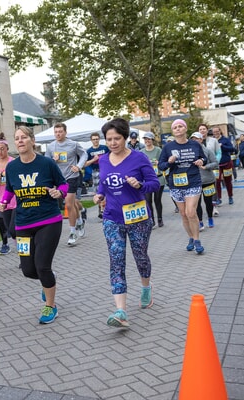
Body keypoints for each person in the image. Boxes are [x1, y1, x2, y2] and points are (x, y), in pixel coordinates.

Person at [93, 118, 160, 328]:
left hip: (138, 217)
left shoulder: (139, 158)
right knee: (116, 260)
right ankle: (121, 311)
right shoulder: (103, 160)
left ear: (125, 137)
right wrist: (99, 195)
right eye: (109, 139)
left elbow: (154, 184)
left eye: (117, 139)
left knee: (140, 255)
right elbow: (103, 184)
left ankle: (146, 288)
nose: (113, 143)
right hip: (112, 217)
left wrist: (140, 184)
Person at [0, 125, 67, 324]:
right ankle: (48, 283)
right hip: (23, 224)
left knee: (42, 266)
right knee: (28, 270)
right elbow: (10, 190)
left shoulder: (46, 163)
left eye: (23, 137)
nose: (20, 141)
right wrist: (4, 201)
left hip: (48, 221)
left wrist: (59, 192)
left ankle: (50, 306)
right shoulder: (12, 167)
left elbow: (63, 184)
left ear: (32, 141)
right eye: (17, 138)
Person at [158, 119, 207, 254]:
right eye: (175, 127)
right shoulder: (168, 148)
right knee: (184, 214)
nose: (178, 129)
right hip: (176, 184)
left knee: (191, 212)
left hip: (193, 181)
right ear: (173, 131)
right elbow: (161, 165)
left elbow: (204, 158)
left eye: (180, 126)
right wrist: (168, 162)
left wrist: (200, 160)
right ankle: (190, 237)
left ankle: (197, 240)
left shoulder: (195, 145)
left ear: (185, 129)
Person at [45, 122, 88, 246]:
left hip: (72, 177)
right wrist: (53, 160)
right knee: (72, 202)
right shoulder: (51, 146)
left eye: (60, 131)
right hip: (59, 179)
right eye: (56, 132)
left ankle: (72, 233)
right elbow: (47, 161)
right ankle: (79, 220)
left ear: (65, 132)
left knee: (68, 204)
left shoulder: (73, 144)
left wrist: (79, 166)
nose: (58, 134)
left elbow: (84, 154)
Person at [190, 132, 218, 230]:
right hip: (195, 182)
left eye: (196, 139)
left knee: (208, 202)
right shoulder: (189, 152)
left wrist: (206, 167)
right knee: (196, 203)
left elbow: (215, 163)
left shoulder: (208, 151)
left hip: (208, 180)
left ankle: (210, 218)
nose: (195, 141)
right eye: (192, 139)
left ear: (201, 140)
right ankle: (200, 222)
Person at [141, 132, 165, 228]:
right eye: (145, 139)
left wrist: (158, 162)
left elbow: (163, 162)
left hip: (158, 178)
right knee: (148, 200)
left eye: (149, 139)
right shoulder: (142, 152)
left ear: (152, 140)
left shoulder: (158, 150)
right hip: (147, 180)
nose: (147, 141)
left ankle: (160, 218)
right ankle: (152, 220)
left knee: (157, 200)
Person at [84, 132, 109, 218]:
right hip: (95, 171)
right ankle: (100, 209)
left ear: (99, 139)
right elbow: (85, 164)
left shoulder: (104, 148)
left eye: (97, 139)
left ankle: (104, 209)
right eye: (93, 139)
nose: (95, 141)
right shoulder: (89, 151)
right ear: (91, 140)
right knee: (98, 191)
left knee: (106, 188)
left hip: (105, 170)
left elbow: (111, 156)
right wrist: (93, 160)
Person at [199, 124, 221, 216]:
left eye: (204, 129)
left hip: (213, 167)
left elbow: (218, 153)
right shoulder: (195, 142)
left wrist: (214, 164)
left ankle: (214, 206)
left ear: (207, 130)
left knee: (213, 185)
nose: (202, 131)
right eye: (200, 129)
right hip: (200, 170)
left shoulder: (213, 140)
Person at [212, 126, 236, 205]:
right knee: (217, 182)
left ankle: (230, 197)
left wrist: (222, 146)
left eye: (217, 131)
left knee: (228, 181)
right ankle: (219, 198)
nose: (216, 133)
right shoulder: (212, 141)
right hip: (216, 165)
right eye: (214, 132)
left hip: (226, 163)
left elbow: (232, 149)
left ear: (220, 131)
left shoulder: (225, 139)